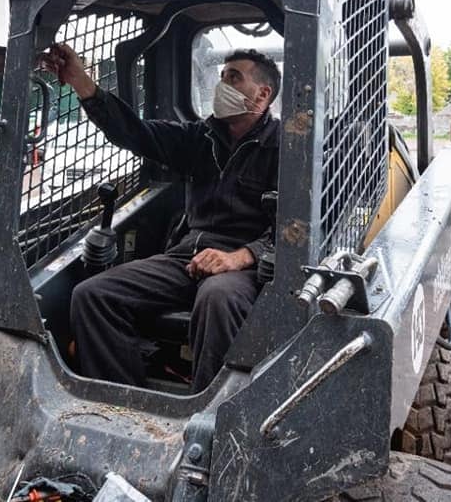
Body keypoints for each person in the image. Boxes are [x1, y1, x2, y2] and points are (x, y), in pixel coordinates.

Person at [40, 43, 280, 392]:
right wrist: (82, 83)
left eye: (233, 78)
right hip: (187, 256)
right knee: (93, 295)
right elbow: (134, 132)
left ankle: (208, 415)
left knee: (217, 297)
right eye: (221, 76)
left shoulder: (286, 149)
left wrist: (239, 257)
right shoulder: (200, 138)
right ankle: (124, 405)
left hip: (245, 267)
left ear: (262, 94)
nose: (221, 85)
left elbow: (293, 228)